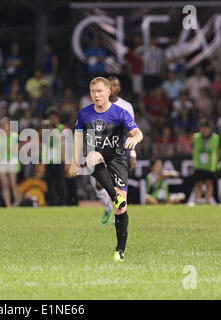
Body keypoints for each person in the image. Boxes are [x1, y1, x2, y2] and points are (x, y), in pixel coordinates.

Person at [69, 77, 143, 261]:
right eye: (93, 92)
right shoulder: (84, 114)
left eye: (100, 91)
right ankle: (114, 196)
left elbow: (137, 132)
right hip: (98, 156)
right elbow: (78, 138)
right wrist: (74, 162)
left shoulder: (120, 112)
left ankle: (119, 250)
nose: (96, 95)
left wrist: (135, 139)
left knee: (120, 210)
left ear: (109, 92)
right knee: (92, 158)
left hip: (117, 160)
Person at [92, 76, 137, 225]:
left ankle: (117, 214)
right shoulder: (97, 105)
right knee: (99, 182)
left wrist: (133, 153)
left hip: (118, 148)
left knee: (118, 185)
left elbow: (132, 131)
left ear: (117, 88)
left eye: (114, 85)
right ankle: (107, 208)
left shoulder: (126, 107)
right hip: (100, 147)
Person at [0, 117, 22, 208]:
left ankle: (17, 204)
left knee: (13, 184)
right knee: (4, 185)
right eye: (1, 125)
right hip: (2, 161)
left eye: (5, 124)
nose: (3, 127)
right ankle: (8, 205)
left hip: (12, 161)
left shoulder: (14, 136)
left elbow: (15, 150)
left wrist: (4, 149)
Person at [191, 119, 220, 205]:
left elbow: (219, 150)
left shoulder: (215, 138)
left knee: (209, 184)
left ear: (210, 128)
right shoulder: (196, 137)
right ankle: (196, 201)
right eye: (203, 128)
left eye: (206, 128)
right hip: (199, 165)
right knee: (198, 184)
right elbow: (192, 149)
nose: (204, 130)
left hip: (210, 166)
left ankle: (207, 201)